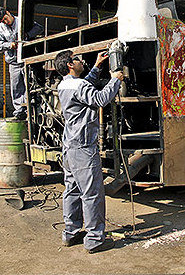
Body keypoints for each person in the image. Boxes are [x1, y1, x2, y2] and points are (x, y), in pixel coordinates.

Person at [54, 49, 123, 254]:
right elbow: (100, 99)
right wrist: (115, 80)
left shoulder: (64, 84)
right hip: (84, 148)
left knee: (72, 189)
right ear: (69, 65)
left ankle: (71, 232)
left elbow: (84, 88)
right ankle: (94, 239)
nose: (80, 60)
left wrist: (95, 67)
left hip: (69, 147)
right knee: (92, 193)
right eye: (77, 59)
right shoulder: (80, 85)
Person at [0, 7, 43, 120]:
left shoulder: (22, 21)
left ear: (8, 13)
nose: (6, 22)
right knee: (16, 87)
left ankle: (32, 109)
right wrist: (9, 45)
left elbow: (39, 28)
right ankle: (20, 110)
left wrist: (27, 35)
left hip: (27, 60)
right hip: (13, 62)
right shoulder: (0, 28)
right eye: (3, 21)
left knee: (30, 85)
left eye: (6, 19)